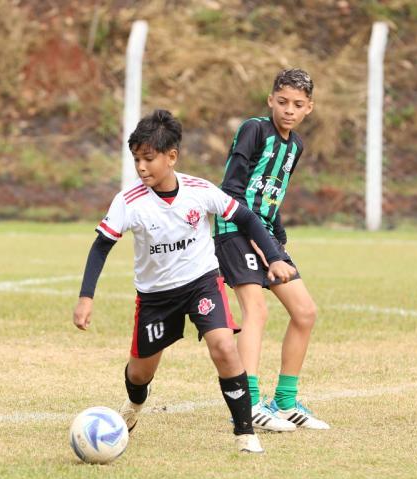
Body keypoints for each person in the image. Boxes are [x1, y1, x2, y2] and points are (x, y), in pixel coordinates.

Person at [73, 110, 297, 454]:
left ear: (172, 156)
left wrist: (275, 256)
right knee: (139, 374)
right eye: (136, 159)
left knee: (224, 347)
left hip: (201, 284)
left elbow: (247, 219)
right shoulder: (128, 201)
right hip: (156, 297)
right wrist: (86, 297)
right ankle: (134, 404)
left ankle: (245, 433)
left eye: (149, 158)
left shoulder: (199, 191)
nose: (141, 167)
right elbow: (101, 246)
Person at [213, 68, 328, 432]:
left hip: (265, 234)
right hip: (234, 228)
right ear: (270, 100)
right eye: (282, 102)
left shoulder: (295, 147)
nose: (289, 110)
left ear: (309, 108)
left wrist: (276, 236)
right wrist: (258, 239)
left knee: (305, 312)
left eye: (297, 104)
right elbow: (232, 189)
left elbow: (272, 194)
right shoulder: (254, 130)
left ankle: (286, 401)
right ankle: (248, 403)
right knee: (257, 310)